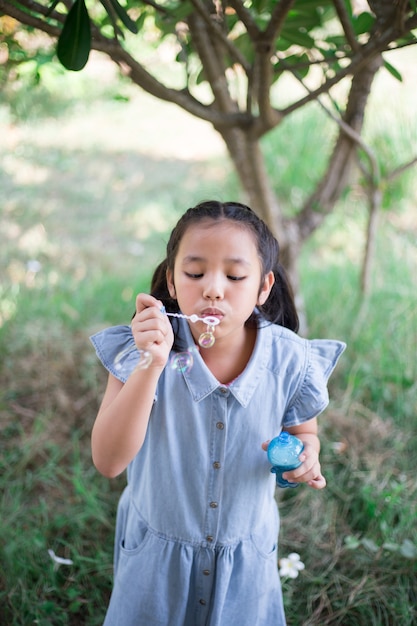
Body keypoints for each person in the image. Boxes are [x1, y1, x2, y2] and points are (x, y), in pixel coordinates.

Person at [90, 200, 346, 626]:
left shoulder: (290, 361)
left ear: (263, 287)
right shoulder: (141, 353)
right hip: (156, 563)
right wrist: (150, 364)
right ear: (171, 281)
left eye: (234, 275)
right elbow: (108, 461)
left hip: (246, 559)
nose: (212, 288)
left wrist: (306, 456)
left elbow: (306, 434)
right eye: (194, 273)